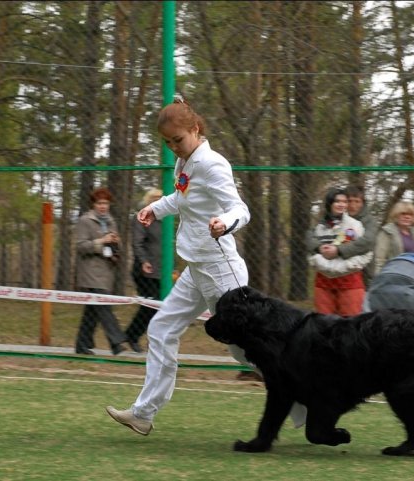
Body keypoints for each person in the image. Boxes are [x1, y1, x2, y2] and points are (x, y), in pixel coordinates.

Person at [106, 97, 306, 435]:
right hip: (197, 269)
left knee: (245, 353)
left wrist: (224, 223)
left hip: (221, 272)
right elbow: (182, 200)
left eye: (177, 140)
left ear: (195, 129)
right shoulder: (185, 163)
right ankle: (143, 413)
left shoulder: (213, 164)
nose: (173, 148)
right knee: (161, 329)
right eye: (167, 143)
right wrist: (156, 208)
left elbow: (240, 208)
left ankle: (305, 401)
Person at [74, 187, 128, 356]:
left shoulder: (111, 222)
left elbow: (115, 246)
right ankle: (116, 342)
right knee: (104, 306)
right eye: (100, 203)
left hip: (106, 272)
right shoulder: (85, 221)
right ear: (93, 204)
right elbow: (80, 246)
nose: (103, 206)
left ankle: (82, 344)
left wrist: (115, 246)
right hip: (90, 272)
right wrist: (101, 241)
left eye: (106, 203)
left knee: (93, 309)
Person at [307, 187, 372, 316]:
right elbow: (311, 252)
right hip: (323, 282)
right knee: (324, 325)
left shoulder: (356, 226)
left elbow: (367, 253)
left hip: (350, 281)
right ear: (330, 203)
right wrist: (323, 265)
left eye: (344, 201)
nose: (342, 204)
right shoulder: (319, 228)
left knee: (349, 325)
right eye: (337, 201)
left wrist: (345, 267)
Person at [124, 188, 163, 353]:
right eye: (154, 198)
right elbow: (137, 243)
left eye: (160, 199)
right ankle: (132, 335)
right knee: (150, 305)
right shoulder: (141, 217)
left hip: (161, 270)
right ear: (148, 201)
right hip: (144, 270)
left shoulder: (164, 220)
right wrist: (144, 261)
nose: (157, 201)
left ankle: (149, 339)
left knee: (159, 306)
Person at [316, 184, 377, 287]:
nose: (352, 205)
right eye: (349, 201)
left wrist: (339, 250)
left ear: (363, 203)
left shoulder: (369, 221)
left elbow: (367, 242)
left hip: (363, 271)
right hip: (334, 271)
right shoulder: (331, 220)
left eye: (357, 201)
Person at [373, 200, 414, 274]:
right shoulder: (387, 231)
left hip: (411, 274)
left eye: (410, 214)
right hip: (392, 274)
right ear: (396, 215)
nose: (407, 217)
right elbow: (379, 259)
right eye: (403, 214)